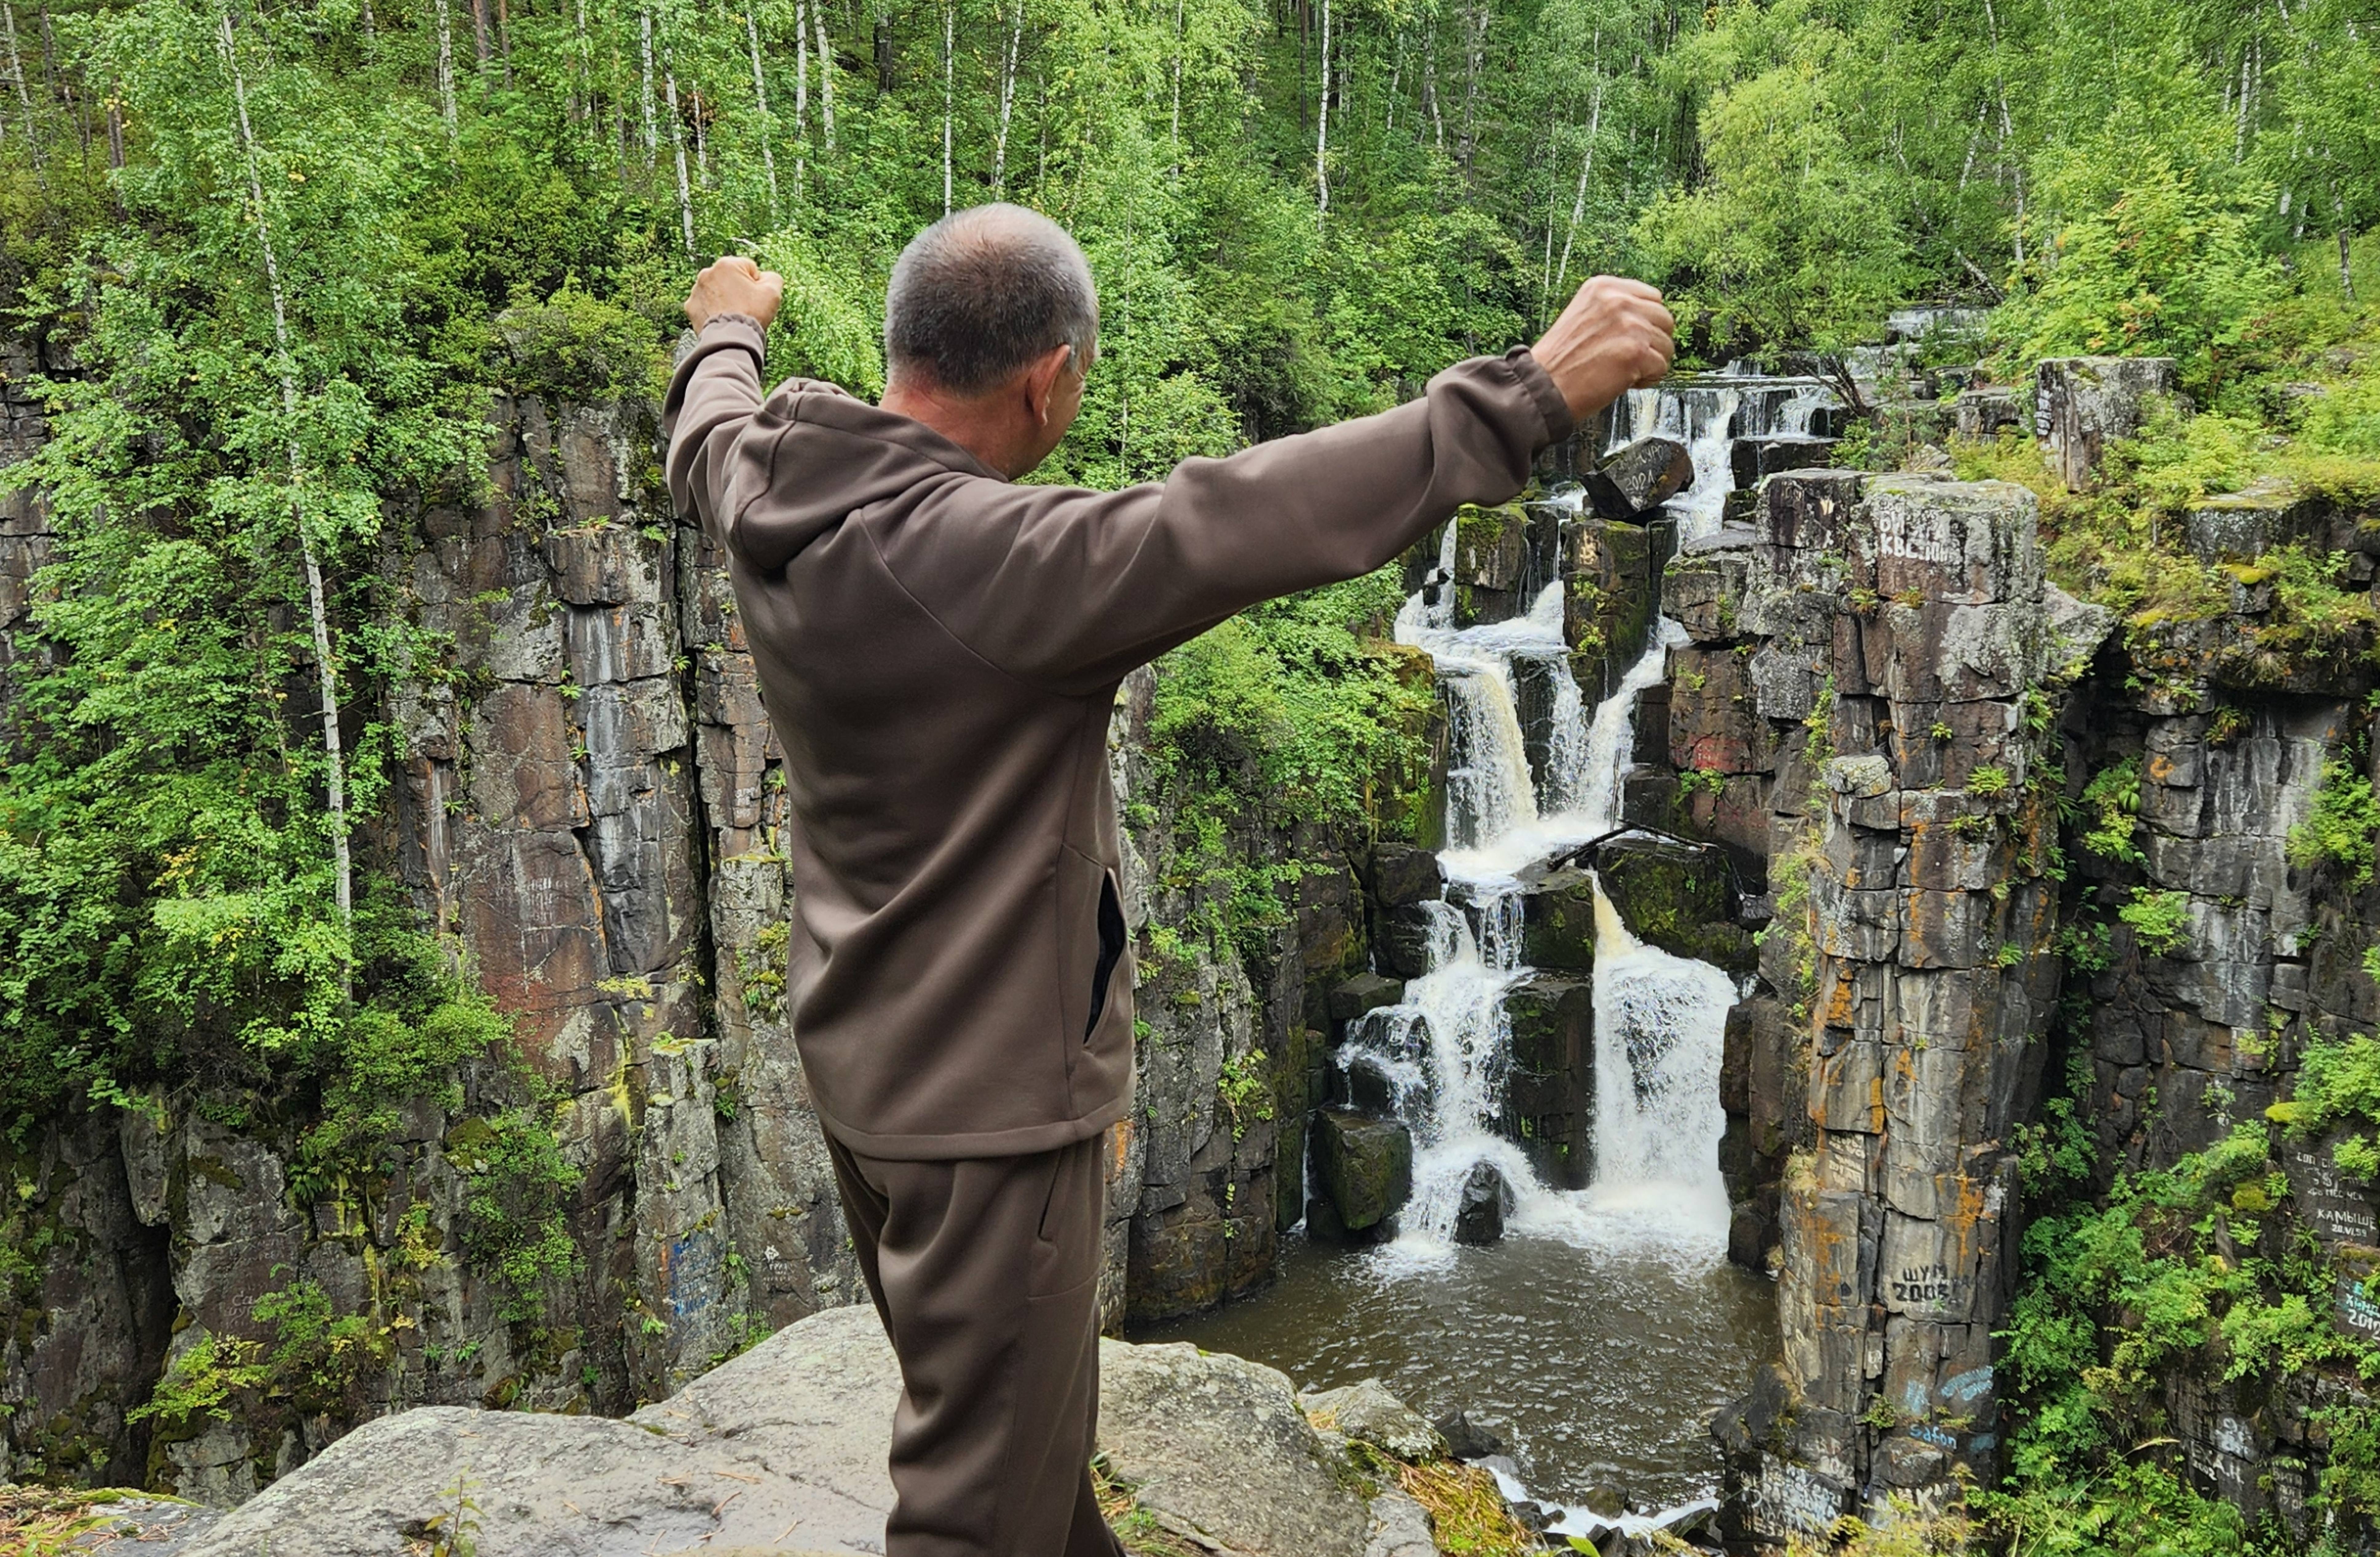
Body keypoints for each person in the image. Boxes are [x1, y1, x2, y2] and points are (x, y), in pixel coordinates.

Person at [661, 202, 1674, 1557]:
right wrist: (1527, 396)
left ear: (903, 350)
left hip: (868, 1062)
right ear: (1052, 378)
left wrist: (726, 321)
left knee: (1014, 1439)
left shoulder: (771, 483)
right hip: (995, 1117)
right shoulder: (993, 568)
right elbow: (1239, 519)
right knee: (976, 1514)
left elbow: (708, 427)